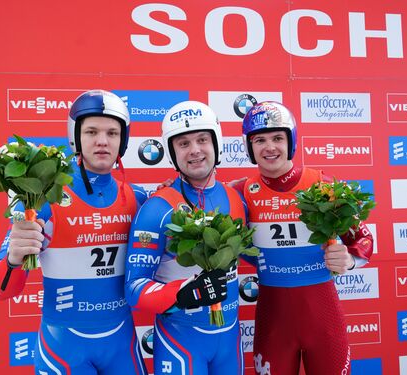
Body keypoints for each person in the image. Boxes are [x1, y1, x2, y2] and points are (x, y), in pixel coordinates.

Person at [0, 90, 148, 374]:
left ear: (123, 141)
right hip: (63, 347)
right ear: (75, 136)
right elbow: (0, 290)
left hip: (122, 342)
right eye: (91, 131)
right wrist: (13, 258)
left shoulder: (138, 198)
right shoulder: (43, 197)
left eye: (112, 133)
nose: (102, 141)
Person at [240, 101, 374, 375]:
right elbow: (197, 201)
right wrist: (172, 184)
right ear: (249, 147)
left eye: (278, 138)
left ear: (291, 142)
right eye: (260, 140)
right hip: (273, 320)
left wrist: (349, 260)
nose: (269, 147)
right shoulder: (240, 192)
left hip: (323, 318)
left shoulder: (324, 185)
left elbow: (365, 239)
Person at [124, 101, 246, 375]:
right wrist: (181, 293)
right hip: (181, 341)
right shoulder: (157, 208)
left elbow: (260, 255)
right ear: (171, 152)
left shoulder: (236, 199)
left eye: (202, 139)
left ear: (217, 143)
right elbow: (133, 289)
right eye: (183, 143)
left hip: (229, 340)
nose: (194, 150)